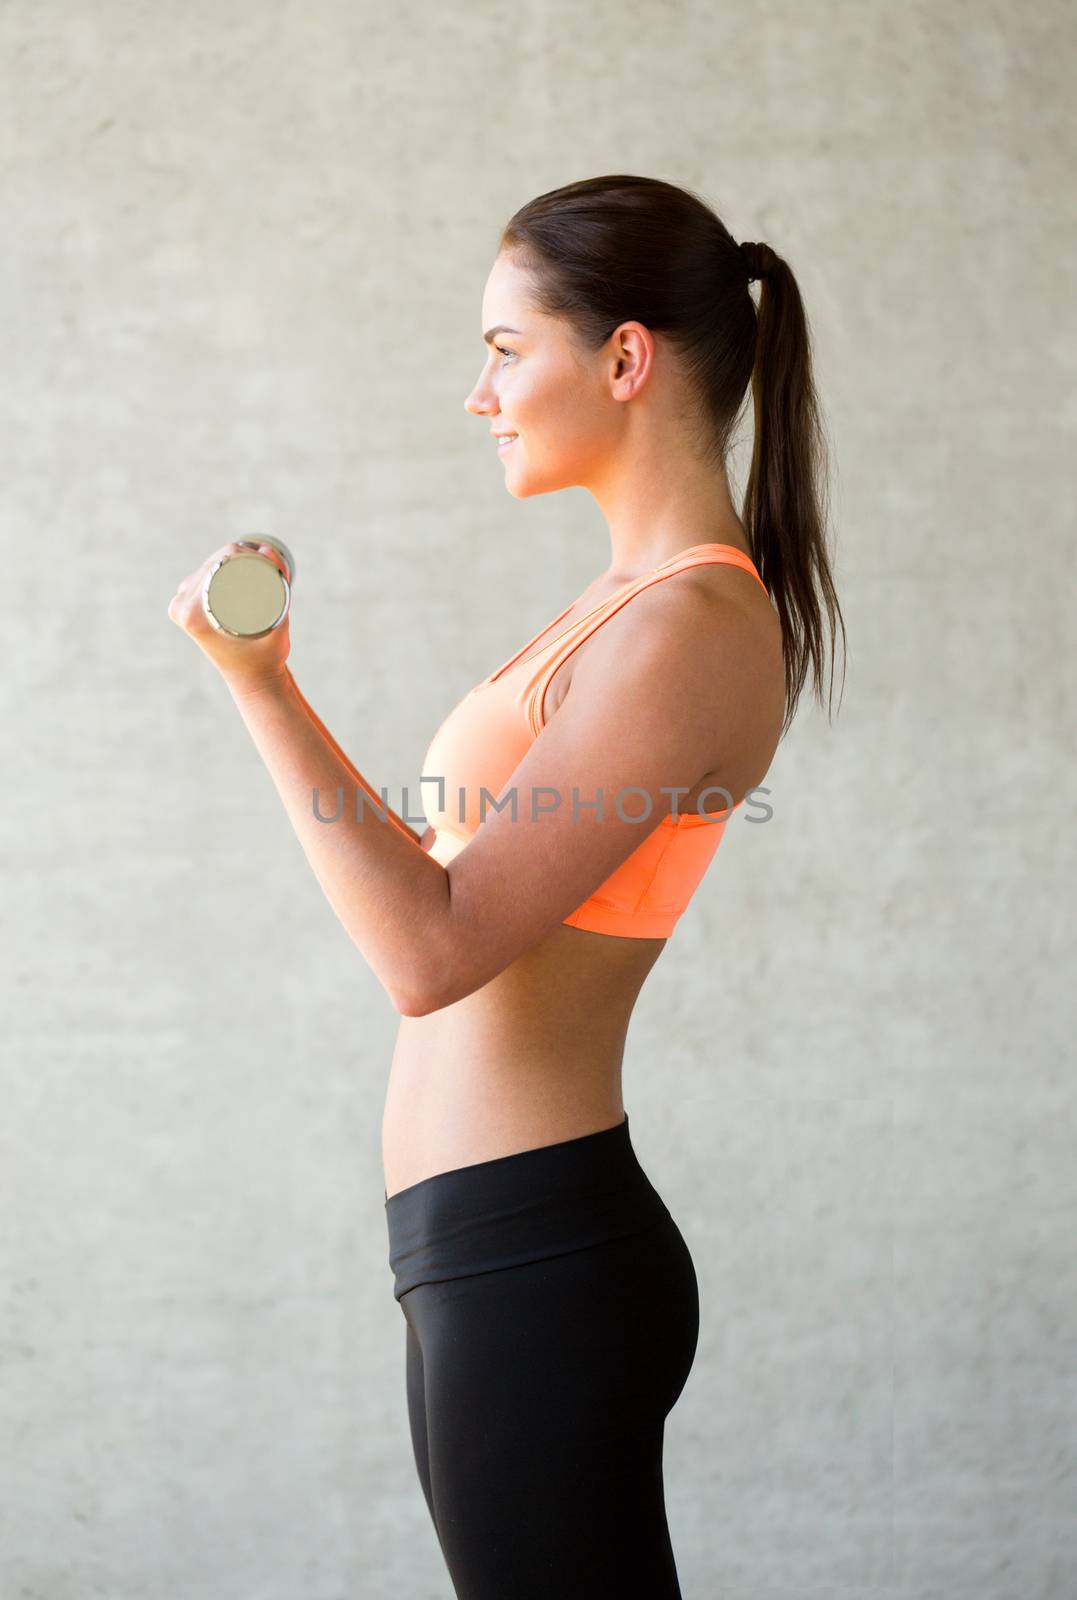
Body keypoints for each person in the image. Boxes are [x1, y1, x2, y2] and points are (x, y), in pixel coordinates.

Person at [168, 172, 845, 1599]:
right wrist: (268, 678)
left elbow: (435, 949)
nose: (478, 394)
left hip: (533, 1252)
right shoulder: (622, 608)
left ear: (621, 357)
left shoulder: (694, 625)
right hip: (487, 1247)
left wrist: (259, 688)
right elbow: (445, 887)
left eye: (500, 348)